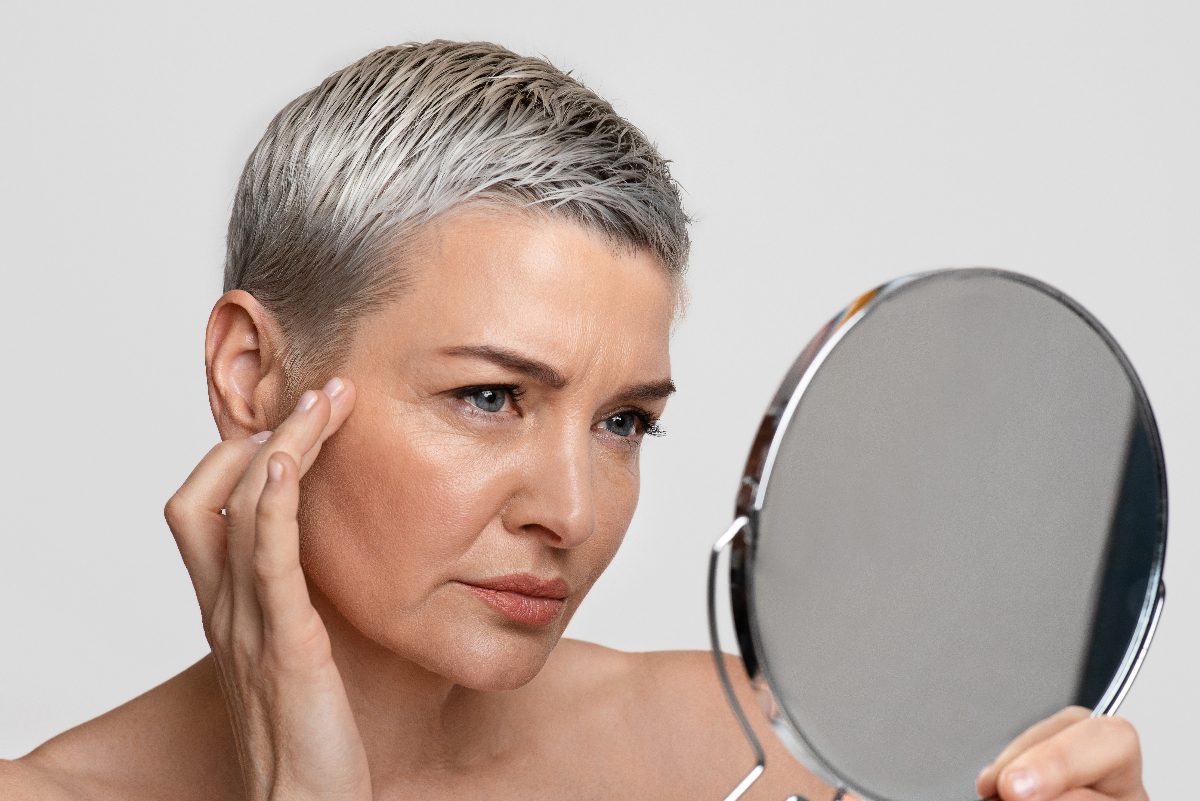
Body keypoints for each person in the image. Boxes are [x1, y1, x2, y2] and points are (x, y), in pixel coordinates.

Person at [0, 40, 1149, 801]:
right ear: (253, 372)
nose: (573, 512)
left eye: (625, 423)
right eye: (489, 397)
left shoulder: (755, 753)